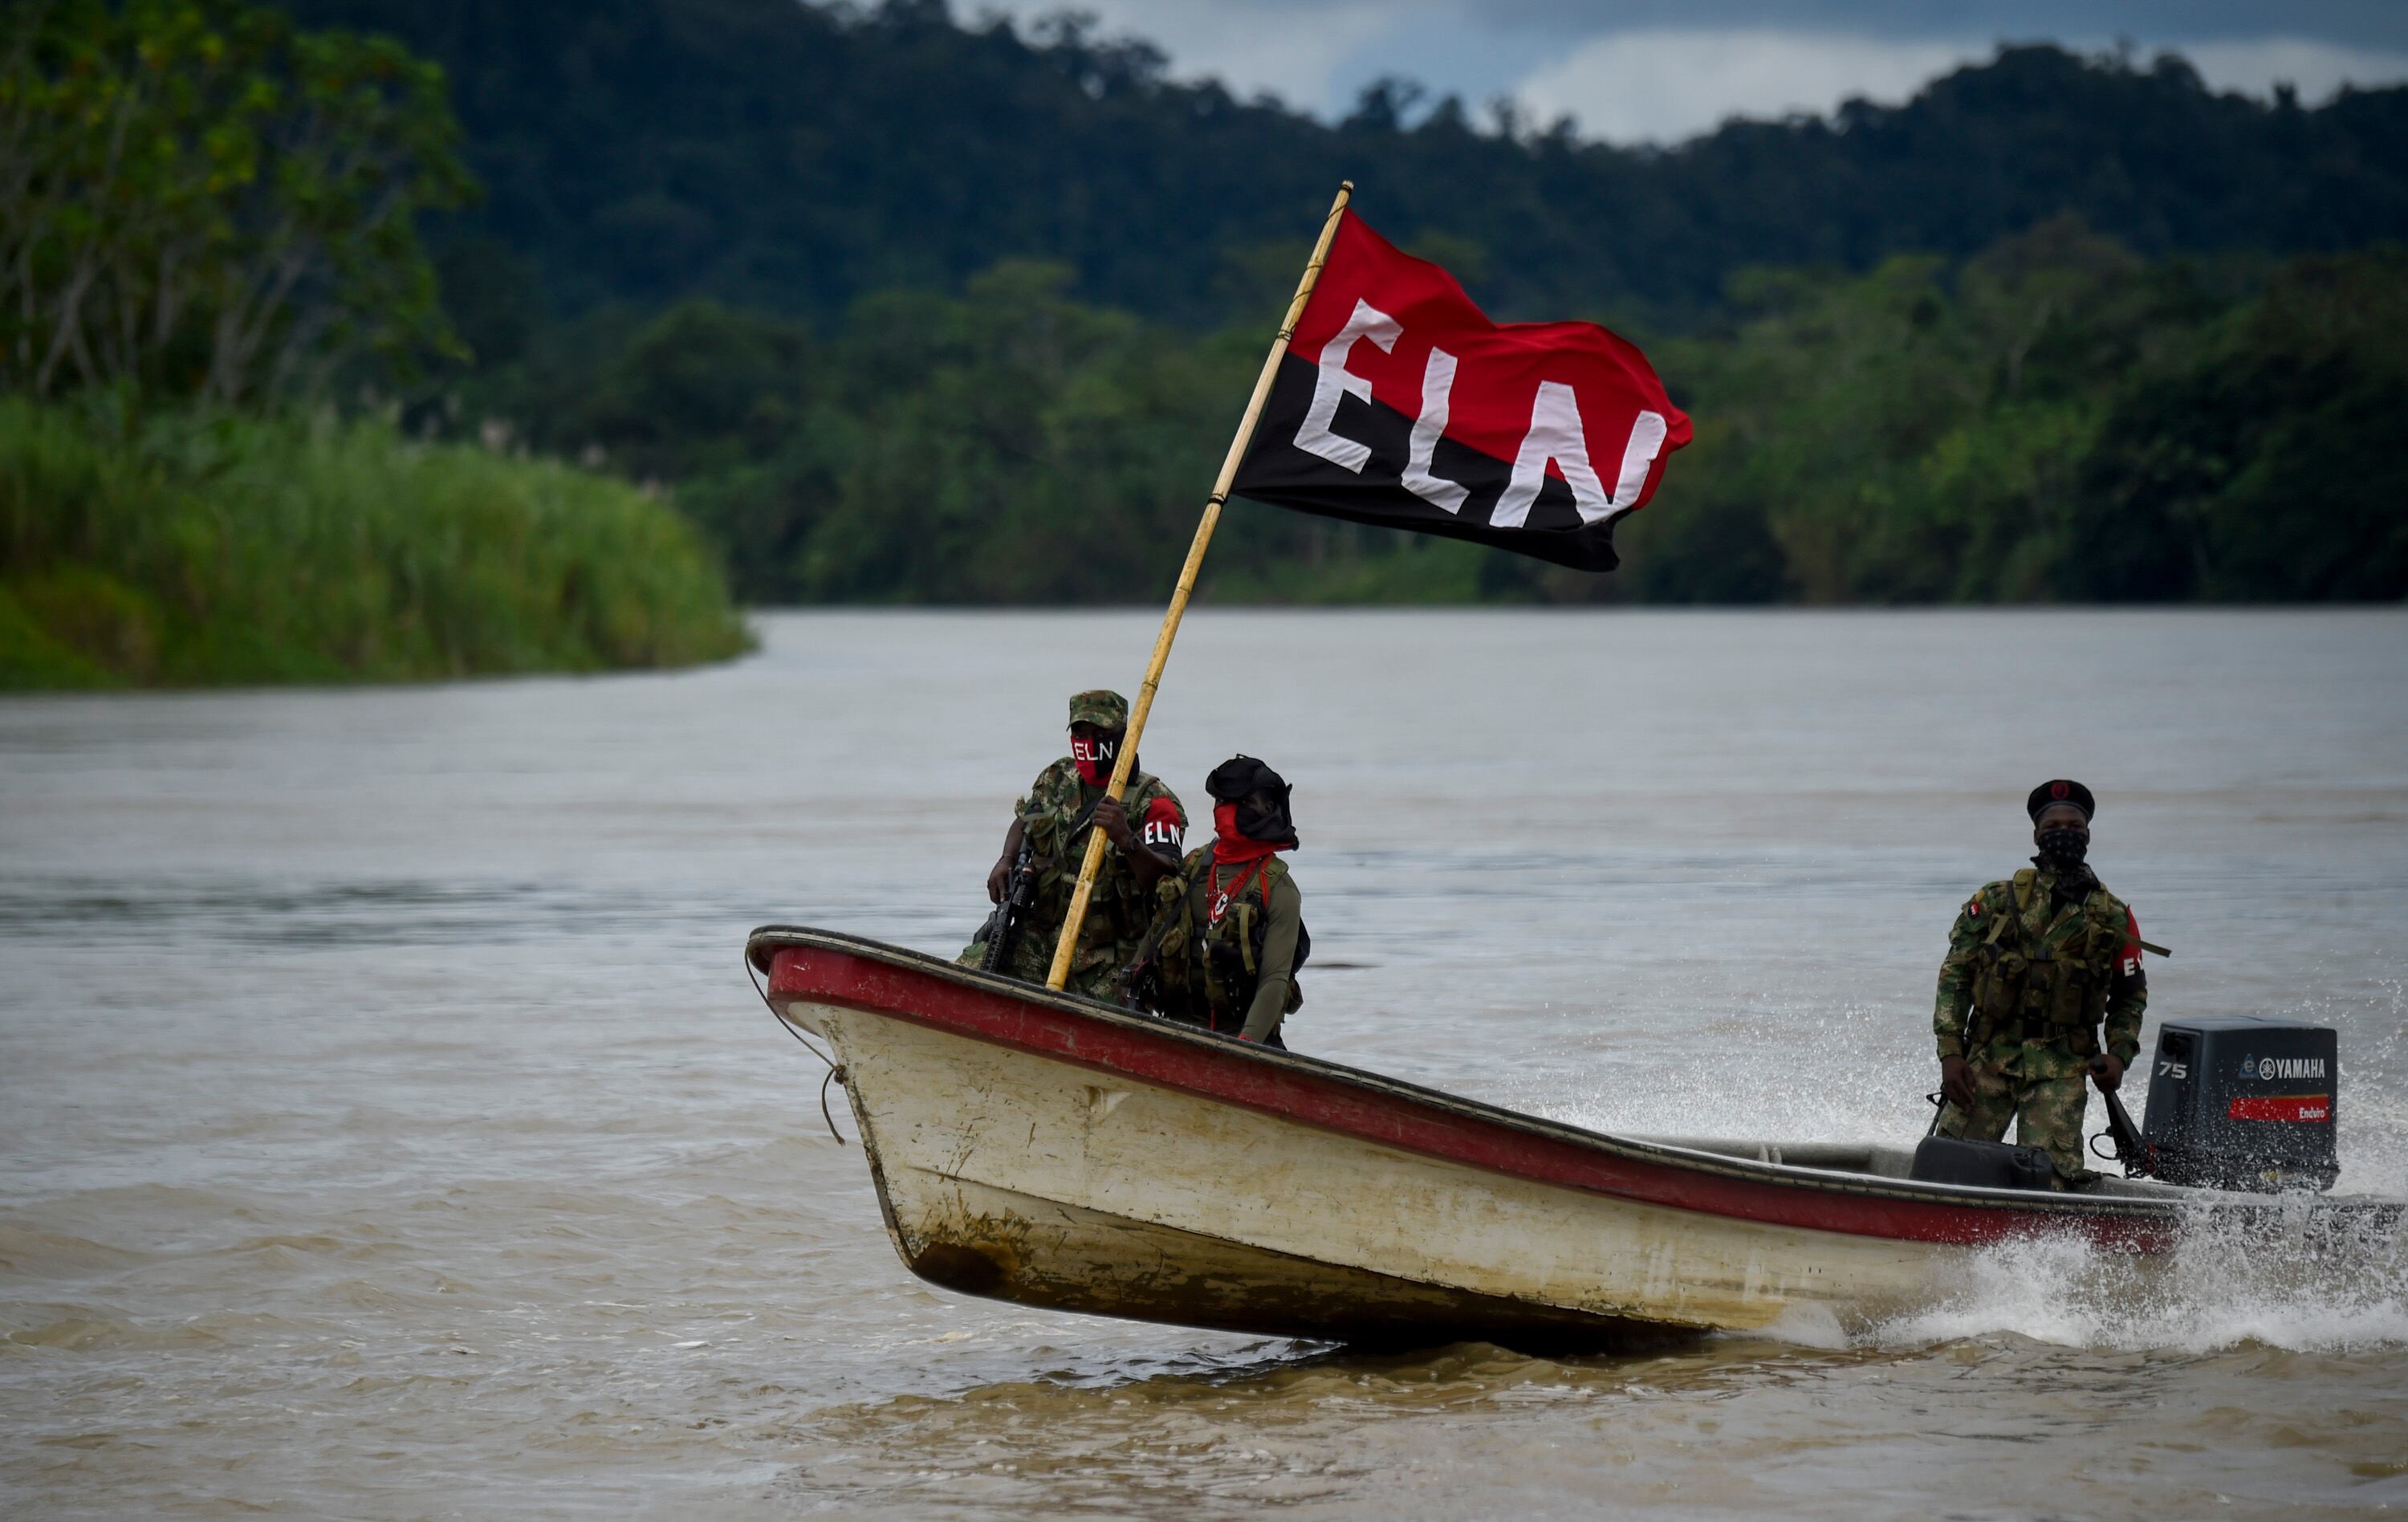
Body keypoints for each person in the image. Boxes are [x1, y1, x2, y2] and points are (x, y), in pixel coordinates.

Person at [1931, 779, 2148, 1188]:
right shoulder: (1996, 900)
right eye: (2052, 827)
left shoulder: (2115, 917)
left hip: (2062, 1068)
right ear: (2036, 835)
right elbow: (1955, 976)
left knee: (2051, 1183)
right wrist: (1950, 1054)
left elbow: (2129, 998)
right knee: (1950, 1169)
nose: (2063, 833)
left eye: (2074, 826)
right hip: (1988, 1060)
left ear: (2087, 836)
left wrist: (2119, 1056)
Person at [961, 690, 1186, 999]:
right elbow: (1026, 821)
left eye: (1100, 733)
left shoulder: (1155, 802)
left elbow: (1166, 878)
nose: (1089, 742)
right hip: (1043, 936)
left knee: (1110, 1018)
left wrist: (1126, 839)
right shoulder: (1059, 778)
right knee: (974, 969)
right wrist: (1006, 858)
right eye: (1081, 733)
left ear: (1124, 736)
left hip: (1108, 956)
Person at [1134, 755, 1308, 1047]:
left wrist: (1244, 1046)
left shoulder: (1278, 889)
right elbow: (1156, 934)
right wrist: (1130, 996)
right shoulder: (1195, 865)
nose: (1223, 811)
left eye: (1237, 803)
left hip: (1241, 1036)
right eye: (1219, 801)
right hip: (1177, 1027)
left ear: (1267, 810)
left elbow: (1274, 981)